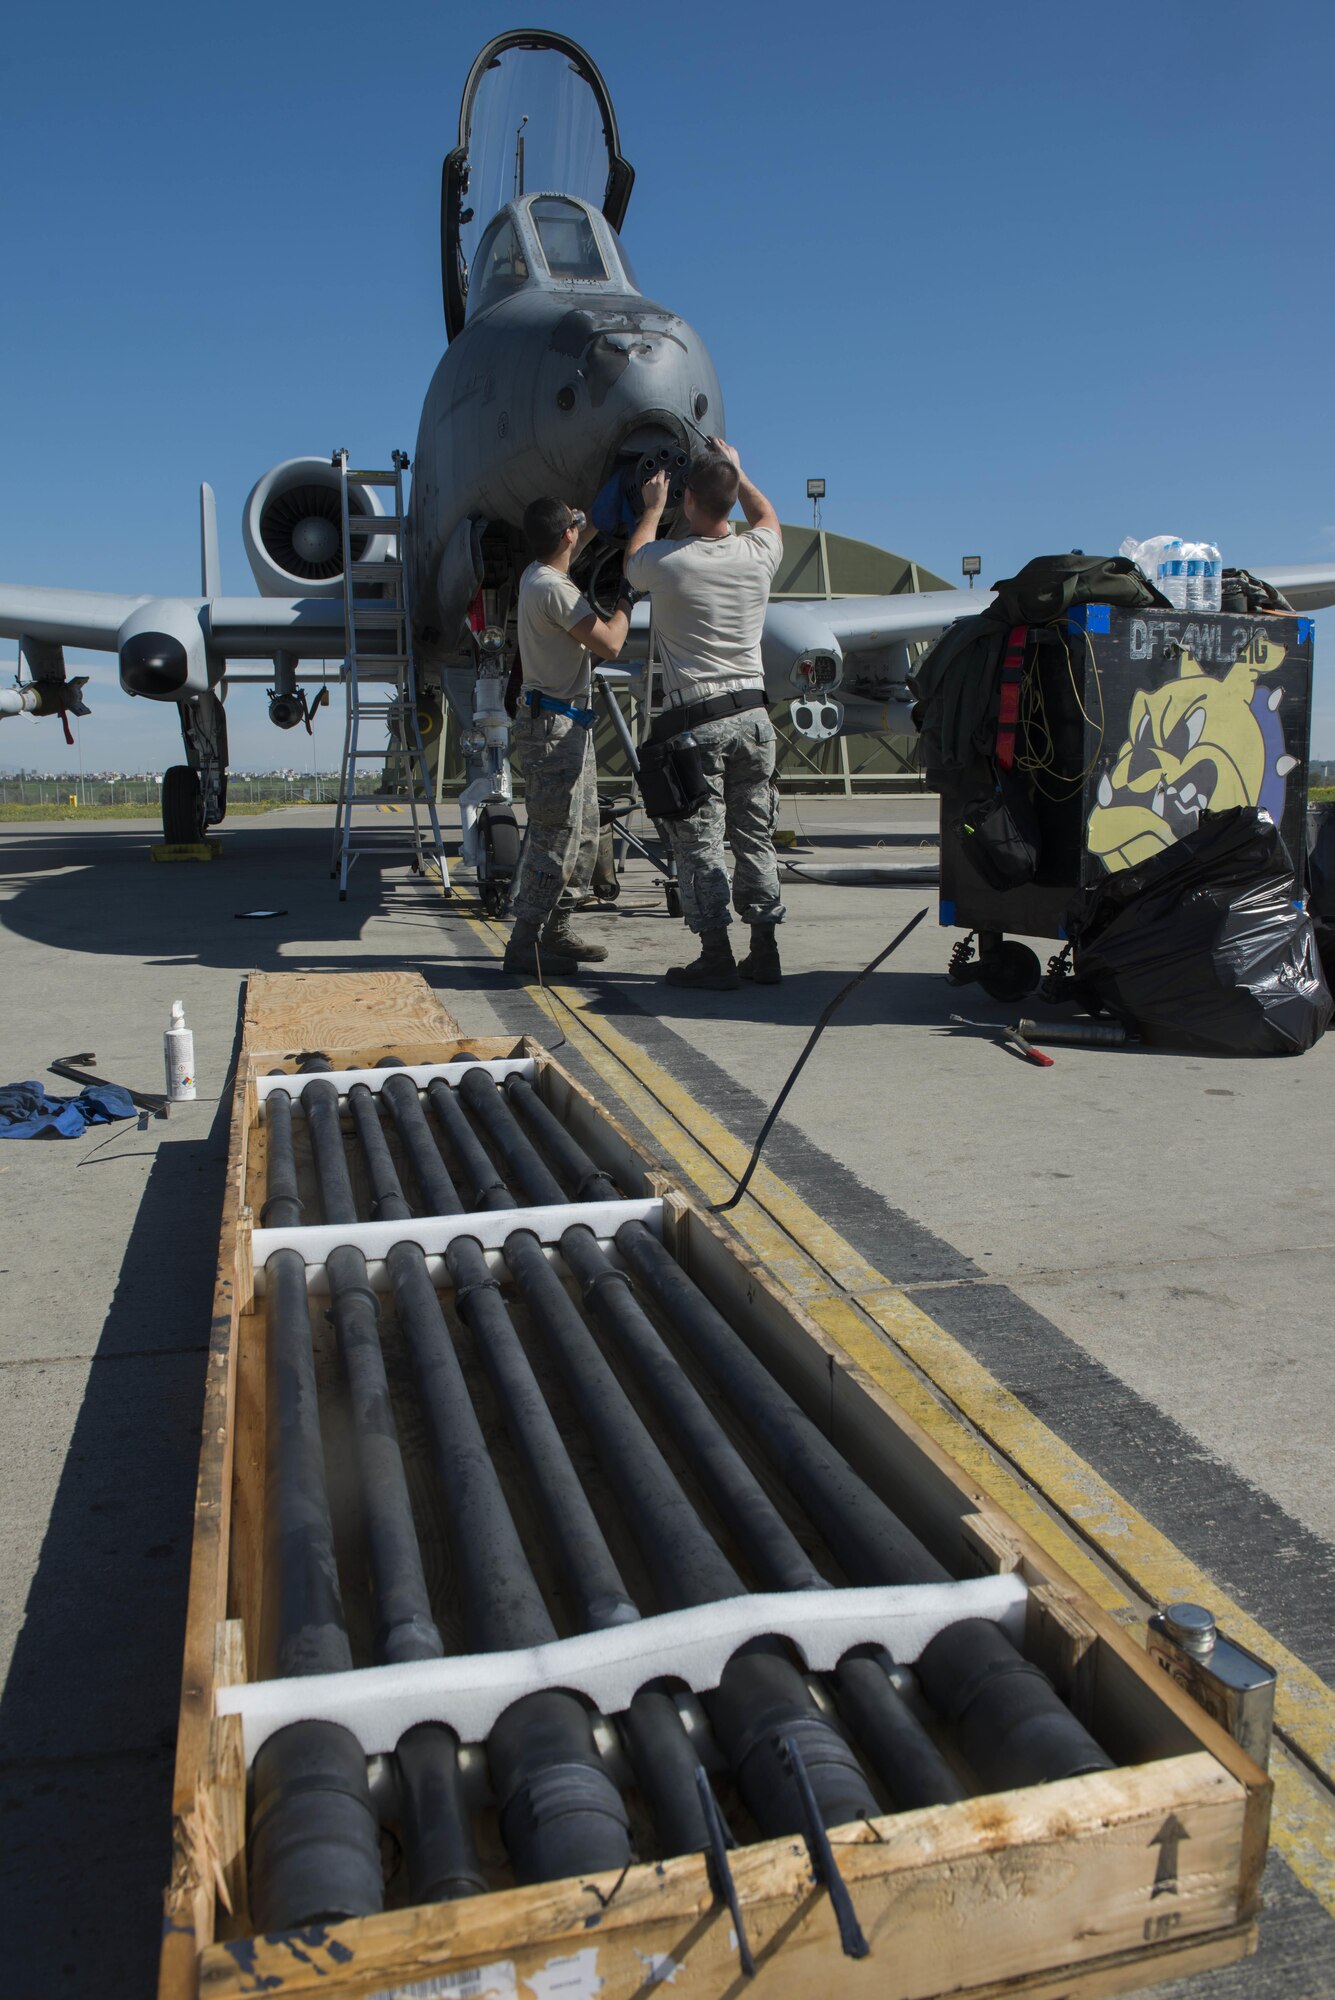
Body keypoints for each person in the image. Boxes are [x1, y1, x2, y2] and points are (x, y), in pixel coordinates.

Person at [625, 440, 784, 989]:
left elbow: (632, 562)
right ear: (732, 499)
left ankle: (716, 955)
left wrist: (651, 507)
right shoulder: (759, 552)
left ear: (688, 500)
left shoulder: (668, 562)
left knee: (701, 843)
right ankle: (765, 949)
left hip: (700, 722)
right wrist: (739, 472)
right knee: (754, 837)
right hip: (756, 719)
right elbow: (766, 516)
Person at [504, 497, 633, 976]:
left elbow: (569, 543)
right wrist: (627, 598)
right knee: (554, 837)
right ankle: (524, 941)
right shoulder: (555, 590)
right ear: (567, 537)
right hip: (554, 729)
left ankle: (555, 929)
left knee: (581, 832)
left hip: (567, 723)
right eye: (574, 524)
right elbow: (612, 643)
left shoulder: (538, 574)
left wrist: (595, 520)